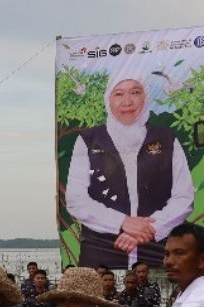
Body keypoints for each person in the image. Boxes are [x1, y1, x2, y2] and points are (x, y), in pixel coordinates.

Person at [66, 72, 194, 268]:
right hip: (101, 255)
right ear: (108, 99)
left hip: (157, 253)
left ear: (146, 98)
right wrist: (122, 222)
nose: (127, 102)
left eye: (135, 92)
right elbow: (76, 200)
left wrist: (150, 229)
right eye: (118, 94)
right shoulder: (88, 140)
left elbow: (183, 198)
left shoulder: (166, 138)